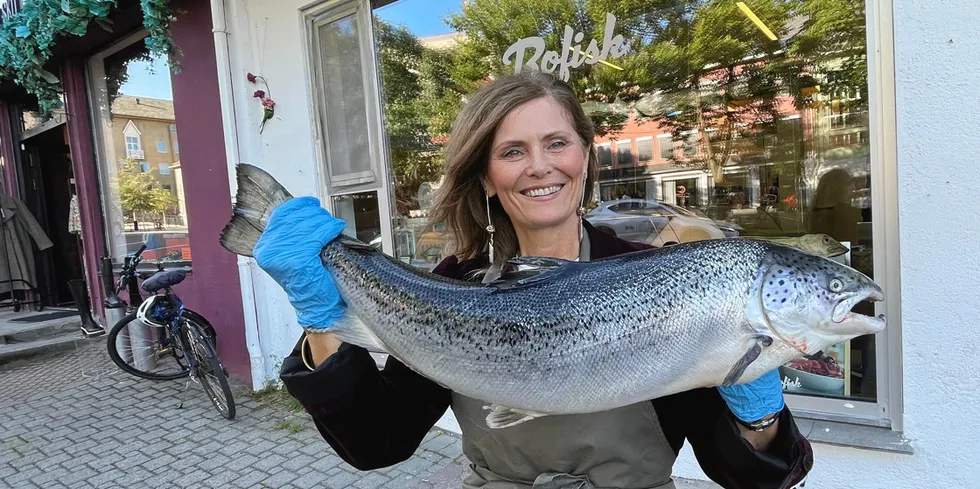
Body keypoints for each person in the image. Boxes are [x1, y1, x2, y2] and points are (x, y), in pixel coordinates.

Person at [255, 71, 813, 489]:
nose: (540, 167)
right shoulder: (455, 286)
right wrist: (325, 322)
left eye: (557, 143)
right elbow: (379, 443)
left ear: (585, 157)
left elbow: (750, 478)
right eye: (512, 152)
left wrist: (758, 410)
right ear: (488, 179)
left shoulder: (662, 281)